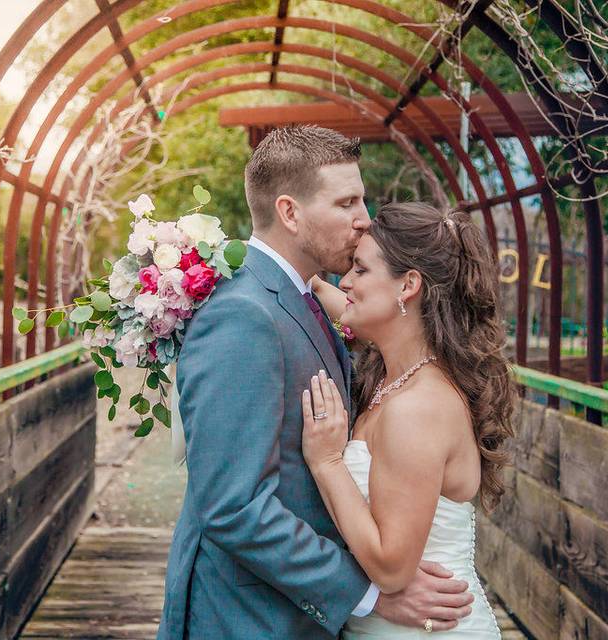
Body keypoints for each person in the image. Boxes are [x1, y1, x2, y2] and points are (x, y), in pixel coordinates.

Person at [158, 126, 475, 640]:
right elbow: (232, 506)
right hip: (247, 620)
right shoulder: (243, 313)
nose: (364, 219)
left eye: (363, 199)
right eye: (347, 202)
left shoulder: (302, 297)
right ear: (289, 212)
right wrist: (368, 594)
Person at [303, 202, 515, 637]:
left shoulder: (417, 408)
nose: (346, 282)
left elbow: (392, 568)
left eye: (360, 270)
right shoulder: (391, 375)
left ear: (408, 286)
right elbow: (343, 302)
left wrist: (327, 463)